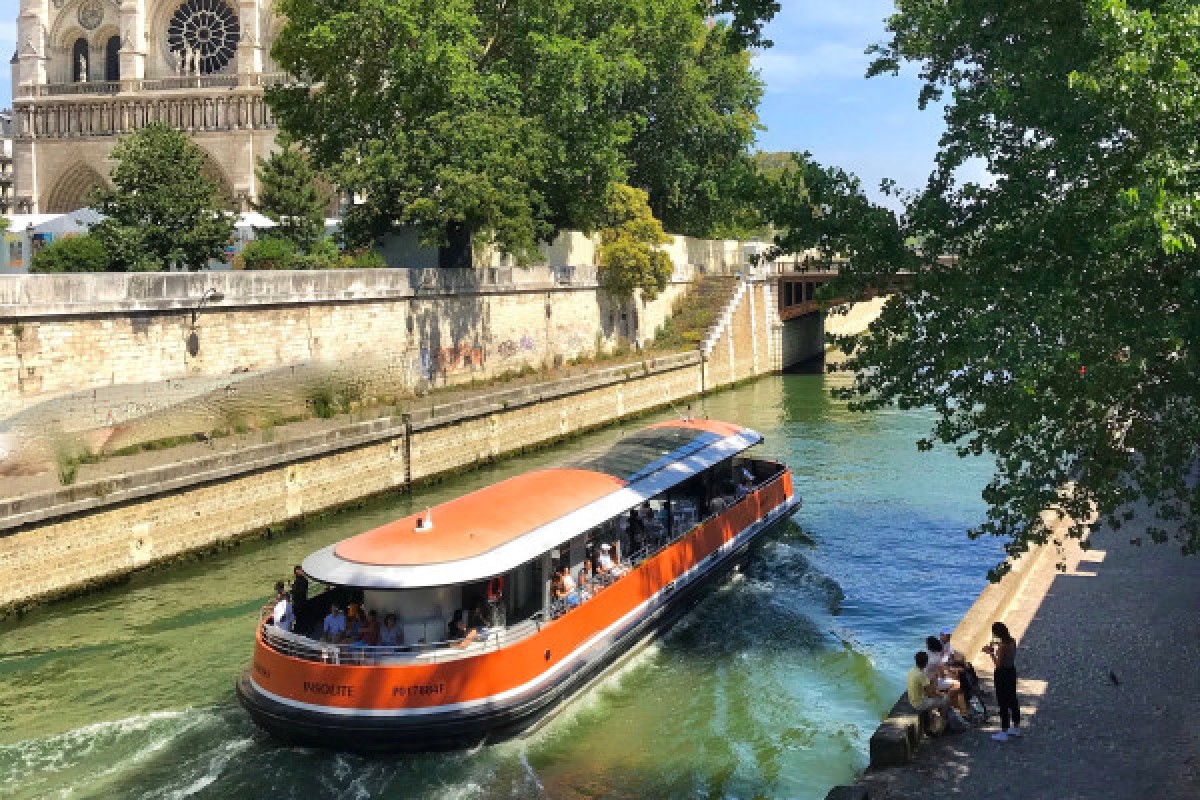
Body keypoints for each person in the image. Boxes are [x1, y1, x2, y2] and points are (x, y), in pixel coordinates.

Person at [984, 621, 1021, 741]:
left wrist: (990, 653)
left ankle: (1004, 730)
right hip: (1011, 671)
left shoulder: (1002, 647)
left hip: (1002, 674)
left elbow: (998, 664)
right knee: (1012, 698)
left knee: (1002, 701)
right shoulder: (1012, 641)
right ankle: (1016, 727)